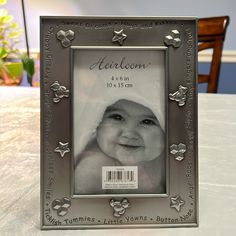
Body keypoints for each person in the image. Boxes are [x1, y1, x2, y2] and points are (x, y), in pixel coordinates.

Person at [74, 99, 166, 195]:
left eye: (147, 122)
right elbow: (83, 208)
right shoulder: (92, 169)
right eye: (117, 117)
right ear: (97, 122)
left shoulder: (168, 158)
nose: (129, 134)